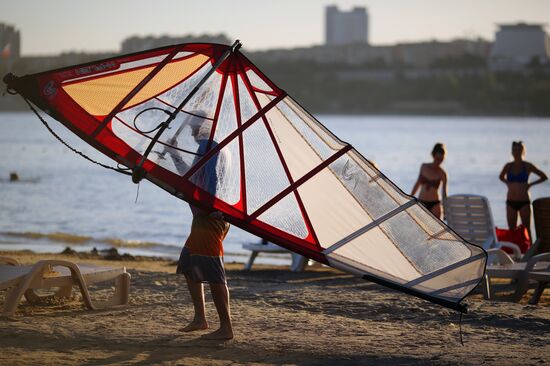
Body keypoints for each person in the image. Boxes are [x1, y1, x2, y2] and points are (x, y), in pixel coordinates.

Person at [167, 112, 233, 340]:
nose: (191, 131)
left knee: (214, 275)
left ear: (205, 125)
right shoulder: (204, 147)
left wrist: (210, 206)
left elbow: (213, 178)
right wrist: (174, 152)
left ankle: (226, 328)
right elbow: (190, 178)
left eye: (194, 126)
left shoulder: (211, 146)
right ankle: (200, 319)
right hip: (202, 220)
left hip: (209, 219)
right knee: (188, 266)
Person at [499, 141, 547, 242]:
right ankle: (515, 253)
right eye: (515, 150)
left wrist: (530, 184)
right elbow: (501, 177)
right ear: (512, 152)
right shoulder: (508, 166)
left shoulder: (527, 166)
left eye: (519, 150)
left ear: (523, 151)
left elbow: (544, 177)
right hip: (510, 202)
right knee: (512, 230)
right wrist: (507, 183)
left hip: (524, 202)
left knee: (527, 229)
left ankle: (531, 252)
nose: (517, 152)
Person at [411, 143, 448, 219]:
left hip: (435, 204)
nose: (439, 162)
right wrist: (409, 197)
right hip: (421, 202)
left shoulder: (442, 174)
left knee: (435, 229)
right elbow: (417, 184)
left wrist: (445, 210)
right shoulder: (424, 167)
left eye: (441, 160)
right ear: (433, 155)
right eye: (437, 159)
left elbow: (444, 193)